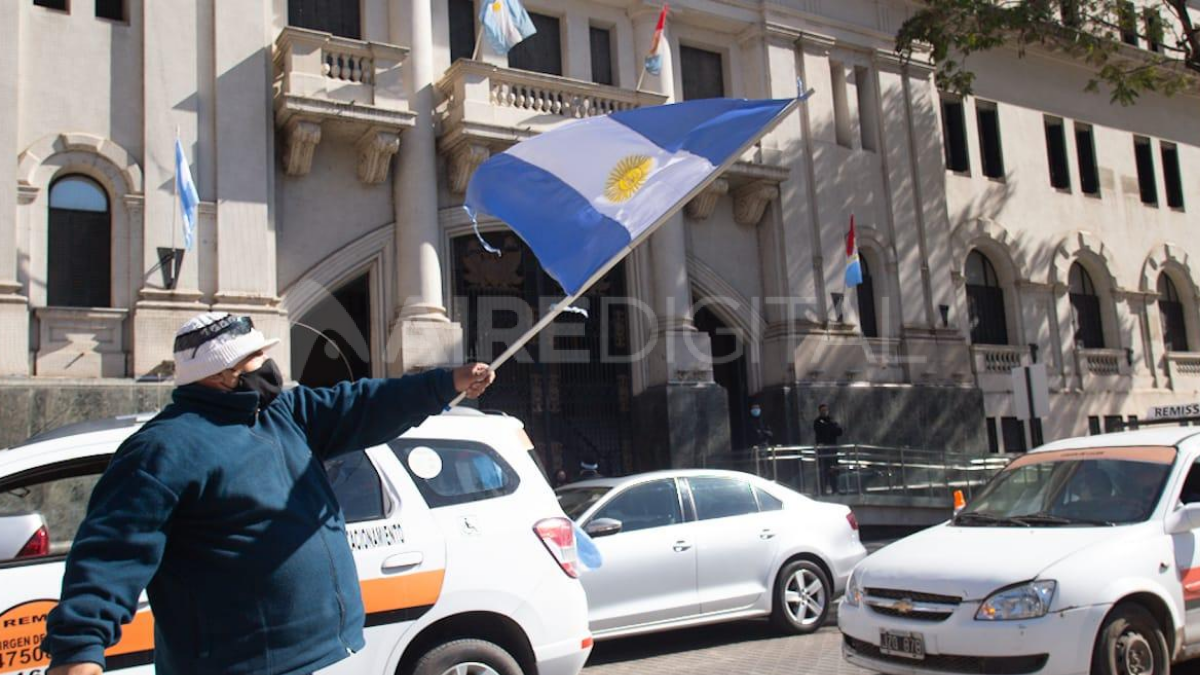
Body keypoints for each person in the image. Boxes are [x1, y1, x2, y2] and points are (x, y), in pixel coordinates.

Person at [43, 312, 494, 675]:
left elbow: (362, 404)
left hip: (325, 653)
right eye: (257, 358)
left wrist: (445, 383)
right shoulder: (163, 450)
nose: (271, 367)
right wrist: (80, 648)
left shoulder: (281, 413)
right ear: (223, 374)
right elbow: (109, 553)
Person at [813, 403, 844, 495]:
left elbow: (839, 431)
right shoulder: (818, 422)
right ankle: (823, 490)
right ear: (820, 411)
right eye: (823, 410)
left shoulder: (831, 420)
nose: (825, 412)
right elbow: (822, 432)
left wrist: (831, 427)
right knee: (824, 470)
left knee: (834, 469)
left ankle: (835, 489)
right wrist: (830, 428)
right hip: (823, 451)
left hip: (832, 449)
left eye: (826, 410)